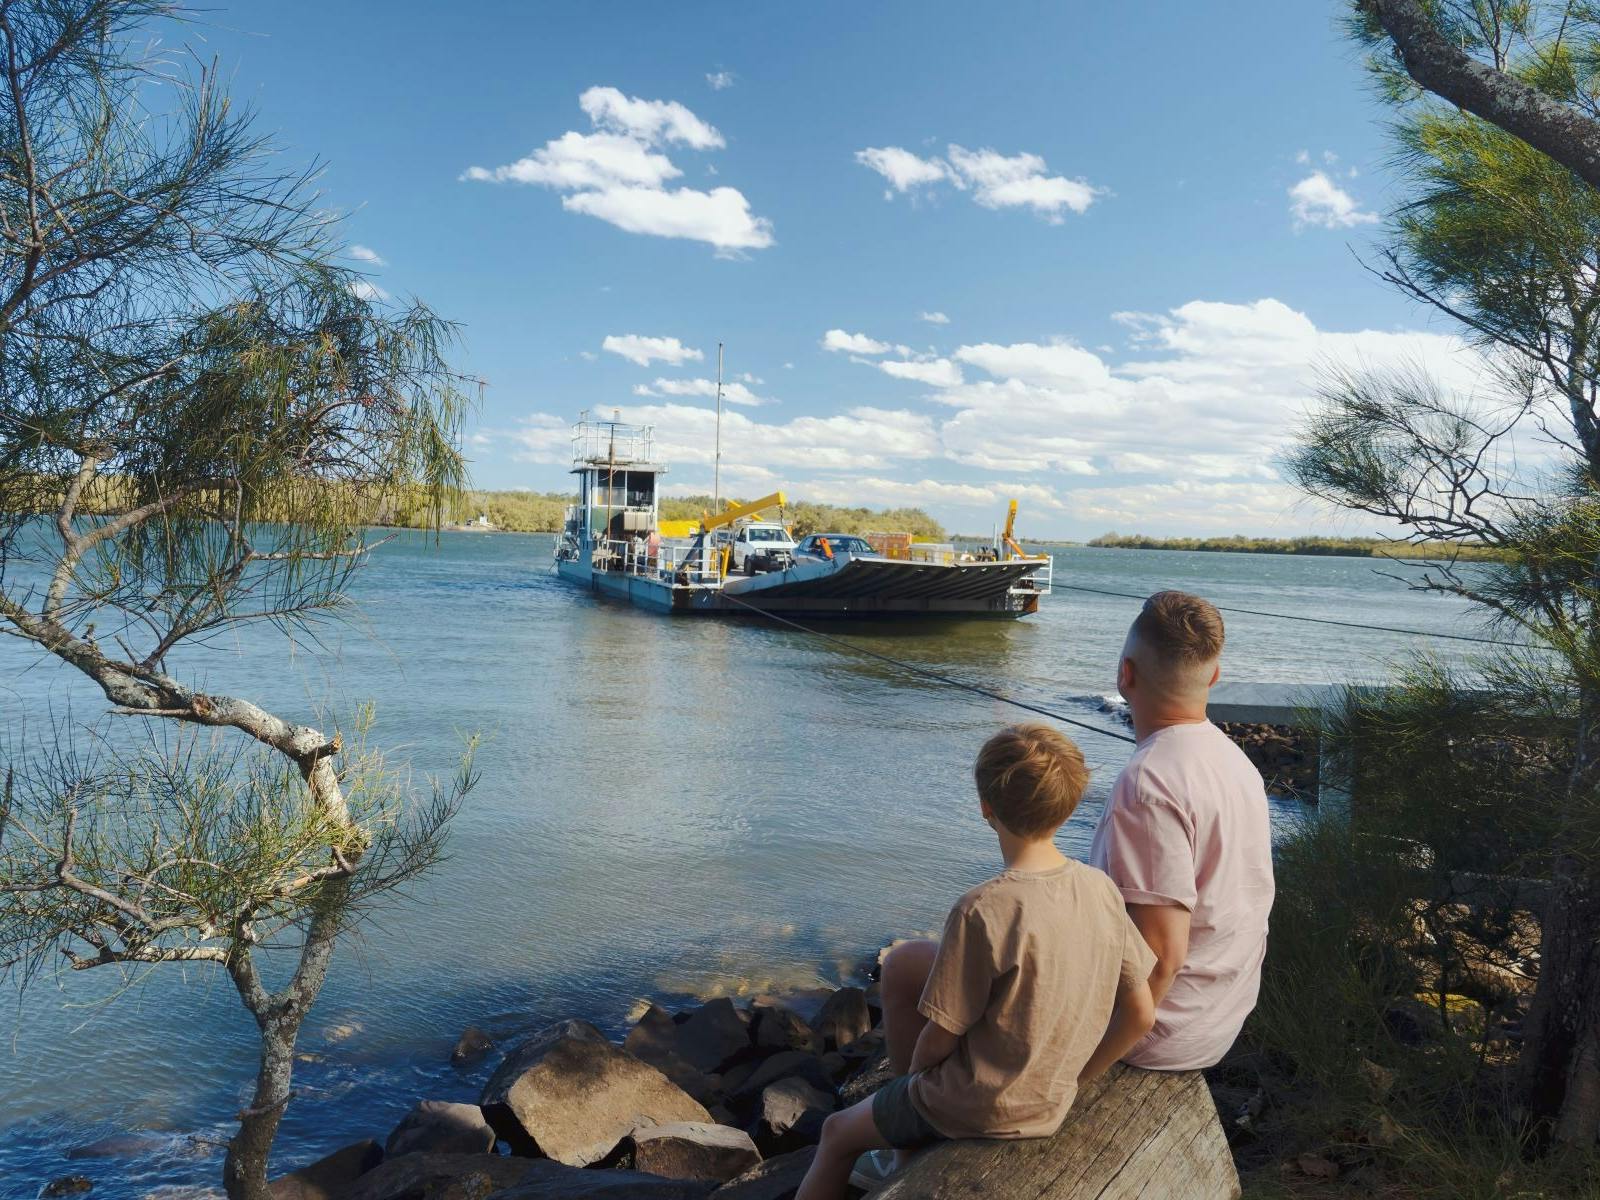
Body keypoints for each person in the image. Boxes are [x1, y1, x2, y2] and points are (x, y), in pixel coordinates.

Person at [795, 725, 1158, 1200]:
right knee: (909, 963)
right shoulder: (1101, 889)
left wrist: (912, 1083)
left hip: (976, 1105)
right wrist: (1071, 1081)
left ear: (987, 809)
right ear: (1069, 807)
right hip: (1050, 1101)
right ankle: (902, 1147)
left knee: (837, 1135)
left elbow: (936, 1043)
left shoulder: (983, 908)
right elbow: (1141, 1014)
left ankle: (900, 1145)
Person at [1083, 590, 1275, 1074]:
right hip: (1219, 1016)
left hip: (1158, 1033)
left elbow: (1162, 958)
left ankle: (901, 1135)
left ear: (1125, 675)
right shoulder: (1234, 760)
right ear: (1213, 675)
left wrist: (1080, 1073)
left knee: (913, 969)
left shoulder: (1146, 784)